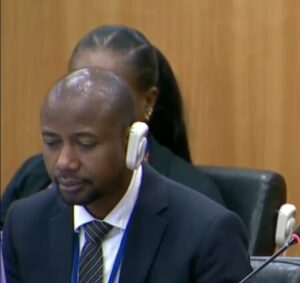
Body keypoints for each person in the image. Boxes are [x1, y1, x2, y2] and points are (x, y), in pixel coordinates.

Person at [2, 68, 256, 283]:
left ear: (132, 144)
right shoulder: (24, 222)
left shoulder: (206, 232)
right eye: (52, 143)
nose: (65, 162)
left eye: (85, 144)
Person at [0, 24, 223, 229]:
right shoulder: (34, 179)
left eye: (109, 91)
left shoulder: (194, 197)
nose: (88, 103)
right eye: (79, 87)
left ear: (148, 102)